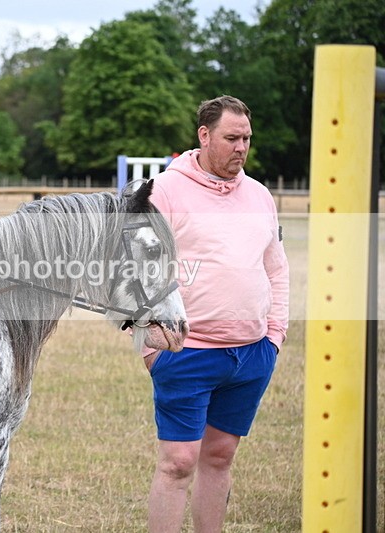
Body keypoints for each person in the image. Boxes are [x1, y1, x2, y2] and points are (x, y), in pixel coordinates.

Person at [142, 95, 289, 532]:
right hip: (186, 351)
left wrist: (274, 336)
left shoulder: (260, 195)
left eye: (246, 138)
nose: (241, 147)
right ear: (204, 135)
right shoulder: (164, 191)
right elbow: (136, 270)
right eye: (231, 138)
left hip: (250, 354)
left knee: (220, 456)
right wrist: (151, 348)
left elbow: (275, 268)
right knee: (178, 463)